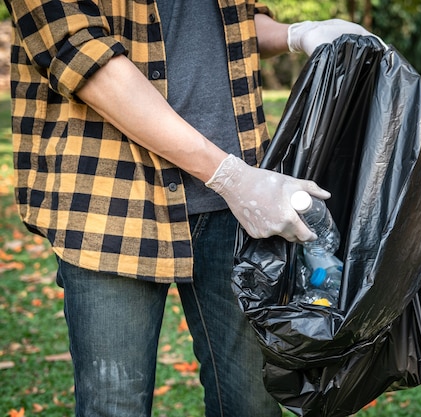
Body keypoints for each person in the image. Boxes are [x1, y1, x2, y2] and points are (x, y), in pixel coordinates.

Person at [6, 1, 373, 416]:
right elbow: (82, 53)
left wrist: (296, 33)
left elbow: (235, 26)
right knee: (114, 405)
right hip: (112, 206)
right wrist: (231, 178)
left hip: (239, 213)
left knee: (253, 404)